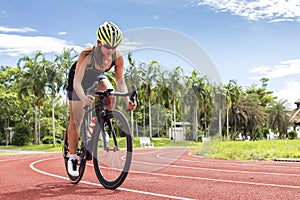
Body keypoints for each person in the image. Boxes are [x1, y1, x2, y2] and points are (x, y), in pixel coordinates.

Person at [66, 21, 137, 176]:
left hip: (97, 77)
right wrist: (84, 98)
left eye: (114, 47)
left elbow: (120, 82)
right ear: (99, 43)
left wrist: (127, 101)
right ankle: (72, 157)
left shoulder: (117, 57)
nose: (111, 50)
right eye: (108, 47)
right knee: (76, 119)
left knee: (110, 95)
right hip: (79, 79)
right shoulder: (87, 54)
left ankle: (98, 123)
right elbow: (77, 82)